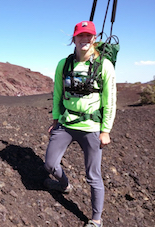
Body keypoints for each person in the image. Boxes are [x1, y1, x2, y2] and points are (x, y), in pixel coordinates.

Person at [43, 21, 117, 227]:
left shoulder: (104, 65)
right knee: (49, 164)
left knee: (93, 175)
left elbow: (109, 100)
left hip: (91, 127)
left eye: (88, 36)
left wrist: (106, 130)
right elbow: (57, 93)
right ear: (73, 39)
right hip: (66, 123)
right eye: (80, 36)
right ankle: (64, 185)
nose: (84, 39)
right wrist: (55, 119)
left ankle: (95, 219)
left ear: (94, 39)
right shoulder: (63, 64)